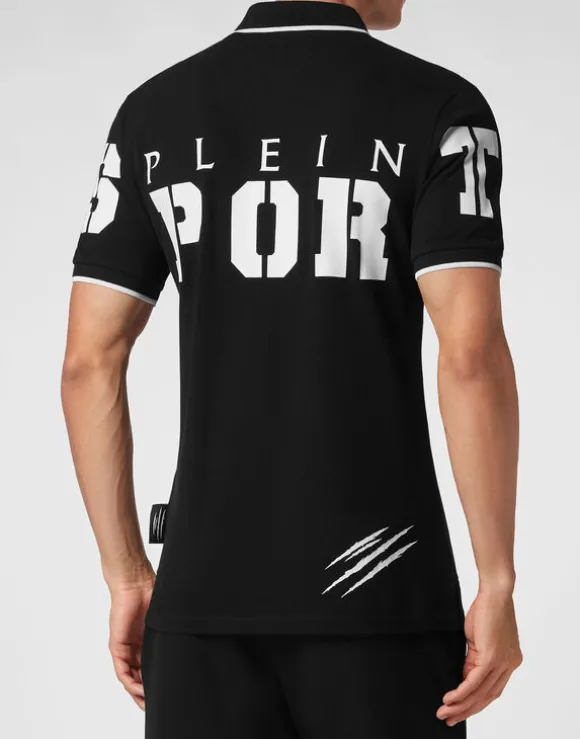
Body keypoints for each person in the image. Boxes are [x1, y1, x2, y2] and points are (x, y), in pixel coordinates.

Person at [61, 1, 523, 736]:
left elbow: (88, 363)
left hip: (200, 605)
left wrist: (127, 575)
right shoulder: (441, 109)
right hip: (384, 603)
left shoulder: (153, 116)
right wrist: (496, 580)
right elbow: (470, 357)